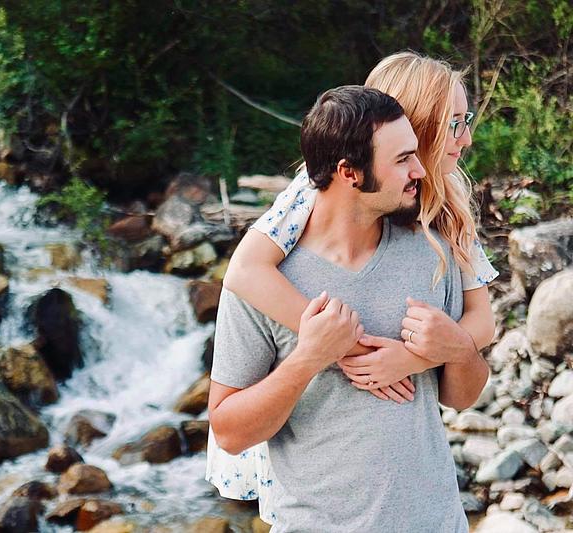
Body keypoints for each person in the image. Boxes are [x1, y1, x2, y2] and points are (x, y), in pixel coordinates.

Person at [205, 51, 497, 522]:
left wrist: (428, 354)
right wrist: (329, 350)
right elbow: (243, 272)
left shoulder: (440, 227)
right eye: (453, 124)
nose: (466, 138)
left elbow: (477, 339)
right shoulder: (299, 215)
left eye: (467, 121)